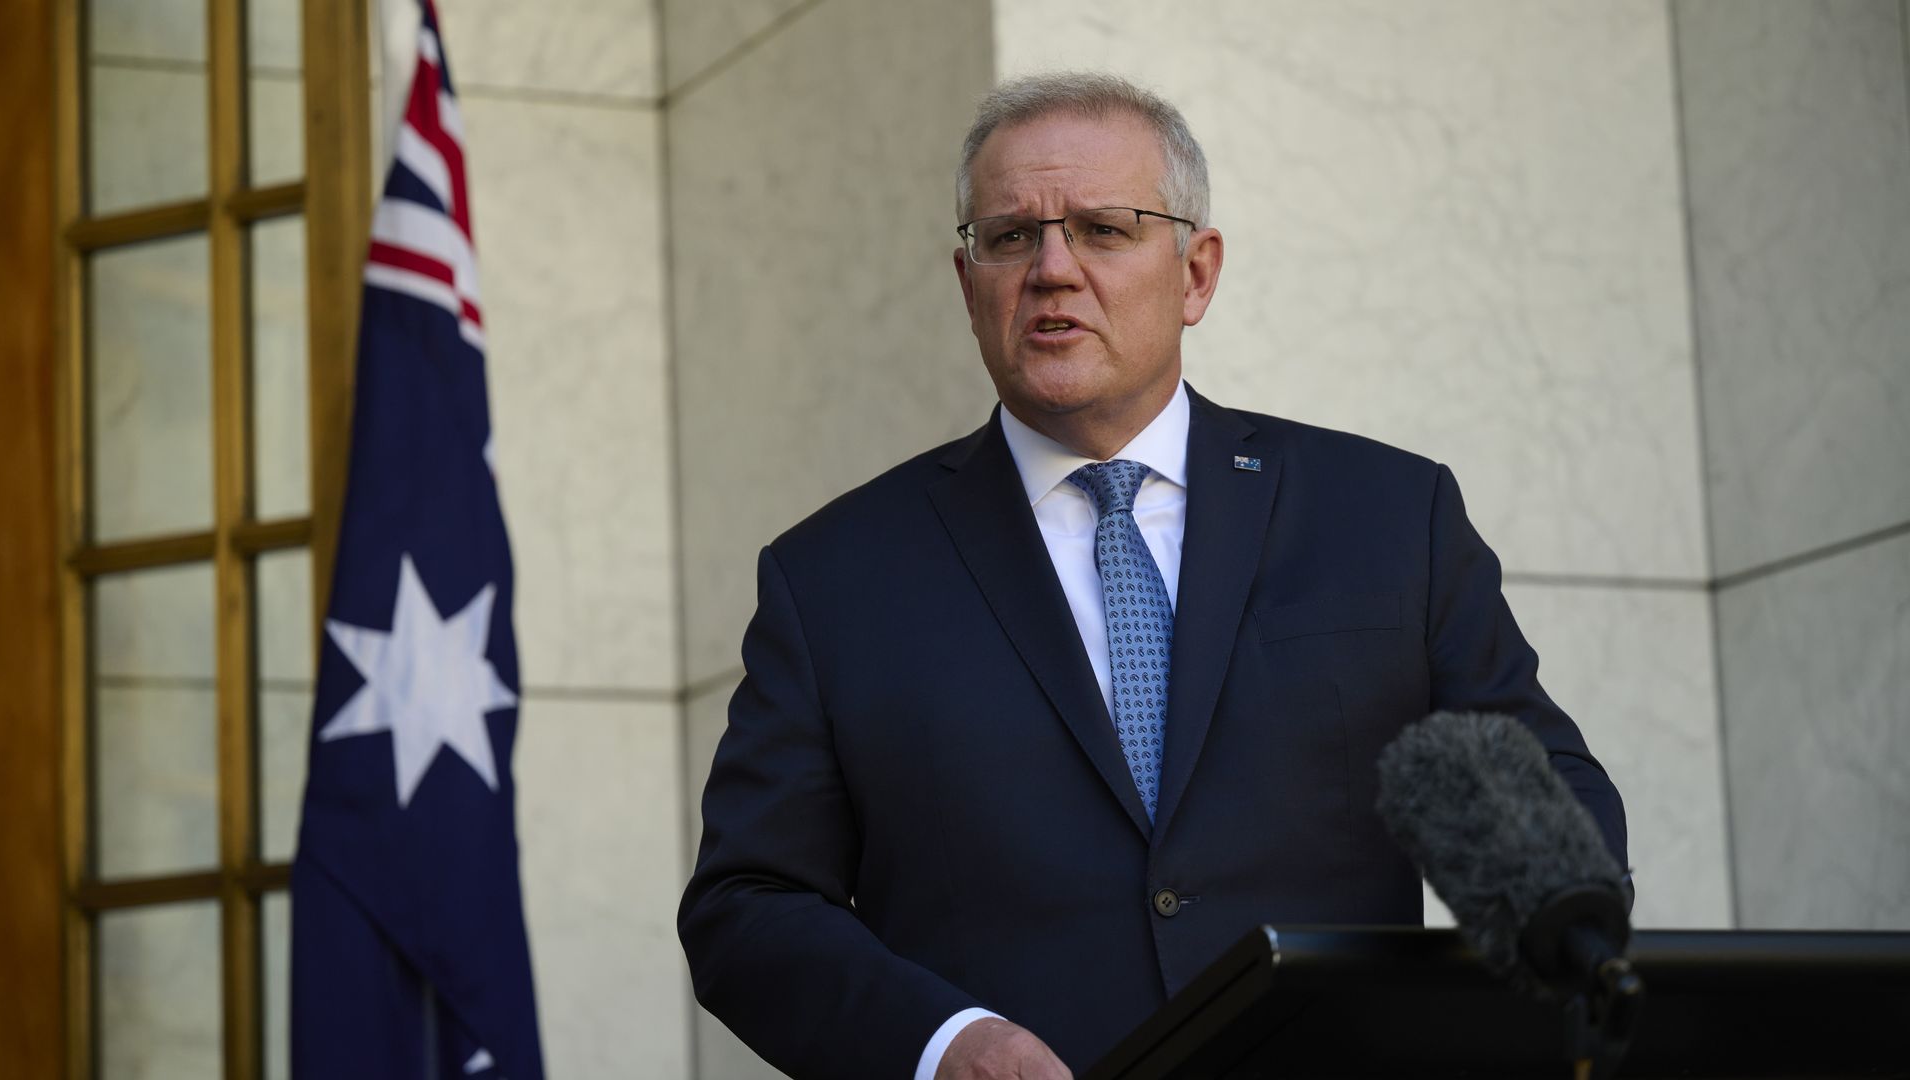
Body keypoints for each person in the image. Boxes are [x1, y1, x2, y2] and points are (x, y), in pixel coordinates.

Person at [678, 72, 1627, 1080]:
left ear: (1196, 273)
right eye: (1009, 237)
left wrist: (1550, 944)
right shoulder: (836, 580)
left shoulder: (1388, 519)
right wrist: (941, 1042)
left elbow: (1547, 794)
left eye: (1103, 228)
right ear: (968, 286)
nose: (1051, 269)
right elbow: (748, 908)